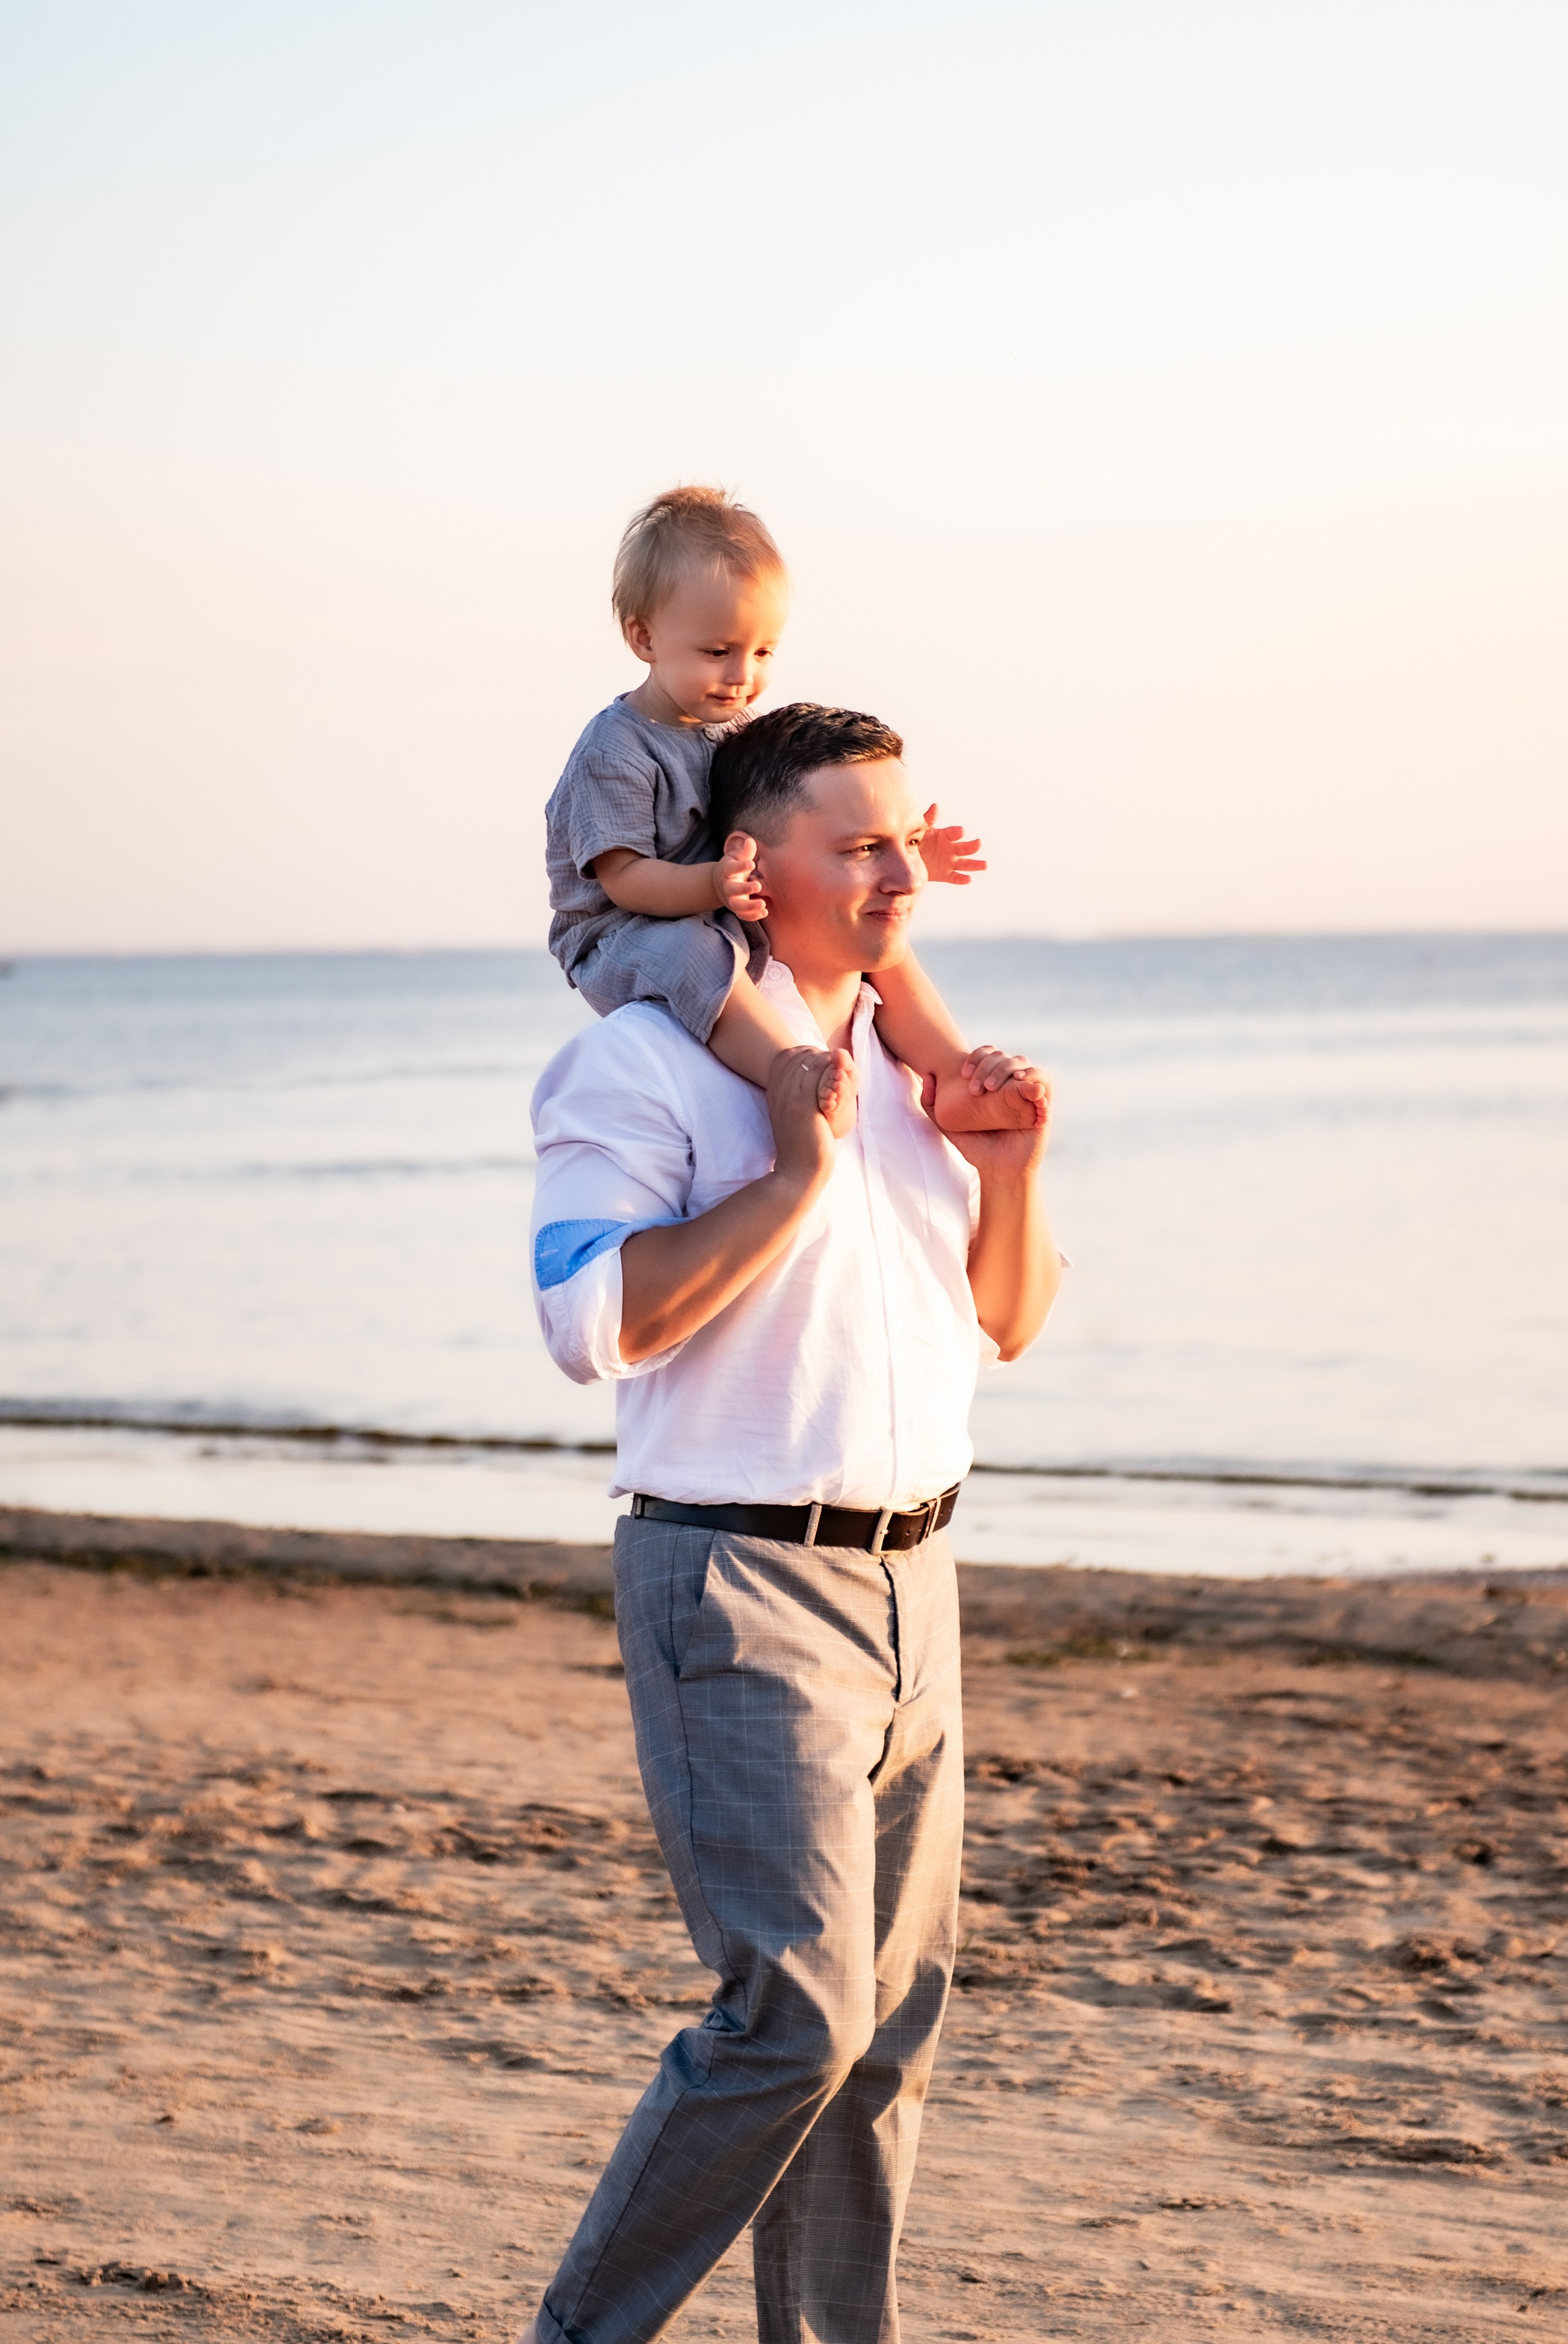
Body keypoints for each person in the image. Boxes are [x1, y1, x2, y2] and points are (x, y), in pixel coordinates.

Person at [516, 701, 1061, 2344]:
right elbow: (584, 1319)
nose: (900, 869)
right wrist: (783, 1174)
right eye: (859, 842)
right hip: (735, 1574)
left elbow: (1005, 1322)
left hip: (917, 1584)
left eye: (904, 836)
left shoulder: (913, 1070)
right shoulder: (642, 1055)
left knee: (885, 2030)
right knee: (792, 2019)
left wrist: (1017, 1161)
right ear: (752, 872)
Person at [543, 483, 1044, 1131]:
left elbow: (799, 823)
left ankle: (951, 1070)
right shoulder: (617, 751)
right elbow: (625, 880)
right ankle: (788, 1072)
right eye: (717, 652)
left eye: (763, 652)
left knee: (874, 932)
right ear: (644, 638)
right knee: (695, 953)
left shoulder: (731, 725)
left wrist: (907, 850)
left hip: (723, 896)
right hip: (622, 933)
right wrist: (713, 883)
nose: (741, 675)